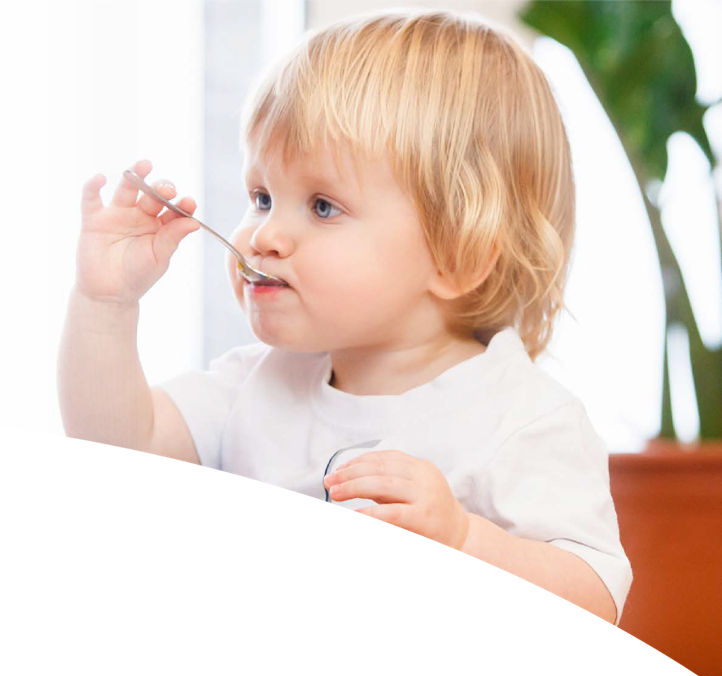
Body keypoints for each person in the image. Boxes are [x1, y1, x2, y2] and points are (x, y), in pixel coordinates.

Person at [59, 9, 631, 625]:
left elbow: (595, 602)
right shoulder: (257, 383)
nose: (265, 234)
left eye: (323, 206)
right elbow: (116, 447)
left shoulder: (524, 421)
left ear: (458, 255)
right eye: (262, 197)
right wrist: (105, 304)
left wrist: (466, 539)